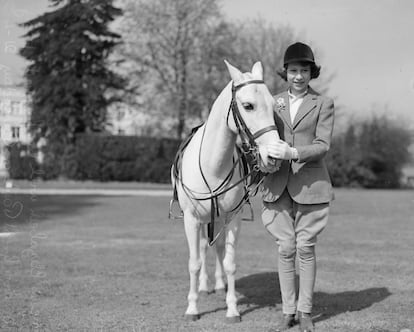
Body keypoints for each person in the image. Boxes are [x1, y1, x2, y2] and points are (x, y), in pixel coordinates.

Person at [261, 42, 335, 332]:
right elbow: (263, 139)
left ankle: (305, 312)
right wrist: (264, 159)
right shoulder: (273, 102)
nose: (299, 76)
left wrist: (294, 153)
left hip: (310, 183)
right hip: (277, 183)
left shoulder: (324, 103)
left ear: (311, 73)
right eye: (293, 70)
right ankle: (287, 311)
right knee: (285, 248)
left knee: (305, 248)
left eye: (304, 70)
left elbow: (323, 145)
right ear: (286, 72)